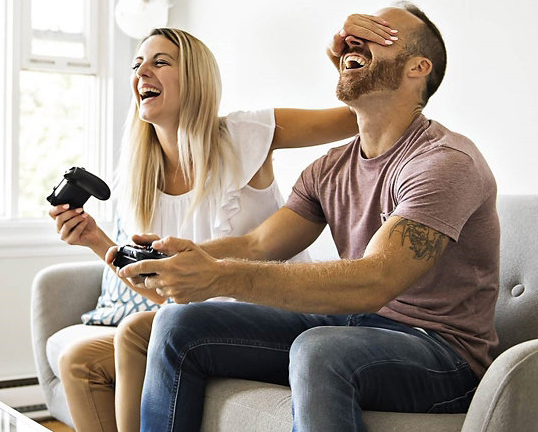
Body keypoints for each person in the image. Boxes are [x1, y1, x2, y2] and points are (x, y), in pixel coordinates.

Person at [117, 2, 498, 432]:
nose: (355, 37)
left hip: (442, 353)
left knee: (319, 349)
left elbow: (375, 281)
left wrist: (220, 278)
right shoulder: (330, 168)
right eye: (354, 35)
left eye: (379, 32)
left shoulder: (444, 161)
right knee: (175, 323)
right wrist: (188, 259)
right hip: (354, 328)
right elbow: (258, 245)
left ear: (418, 68)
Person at [48, 27, 360, 432]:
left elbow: (354, 119)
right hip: (193, 327)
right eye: (137, 64)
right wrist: (96, 240)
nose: (142, 72)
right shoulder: (141, 180)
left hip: (277, 315)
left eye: (160, 62)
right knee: (79, 361)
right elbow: (164, 291)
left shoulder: (246, 134)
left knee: (135, 332)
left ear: (195, 77)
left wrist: (347, 66)